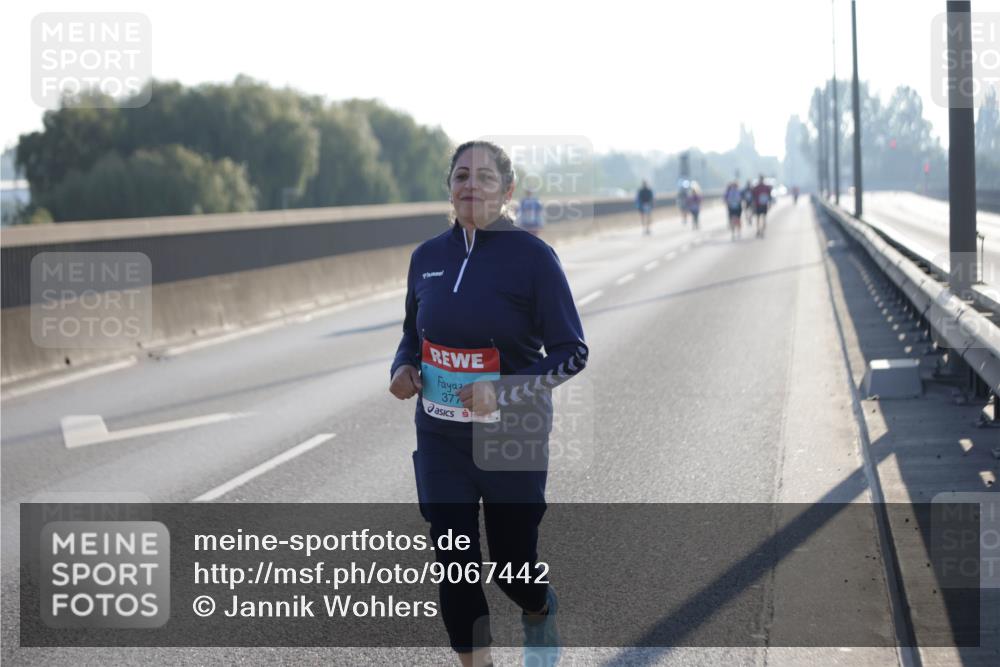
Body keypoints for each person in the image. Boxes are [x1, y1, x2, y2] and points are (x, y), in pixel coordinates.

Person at [390, 140, 588, 667]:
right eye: (460, 175)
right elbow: (413, 334)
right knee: (453, 559)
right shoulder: (426, 257)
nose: (470, 185)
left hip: (512, 435)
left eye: (483, 177)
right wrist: (402, 368)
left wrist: (502, 390)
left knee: (511, 565)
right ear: (449, 187)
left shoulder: (533, 258)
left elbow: (572, 353)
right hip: (440, 436)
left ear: (507, 190)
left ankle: (539, 607)